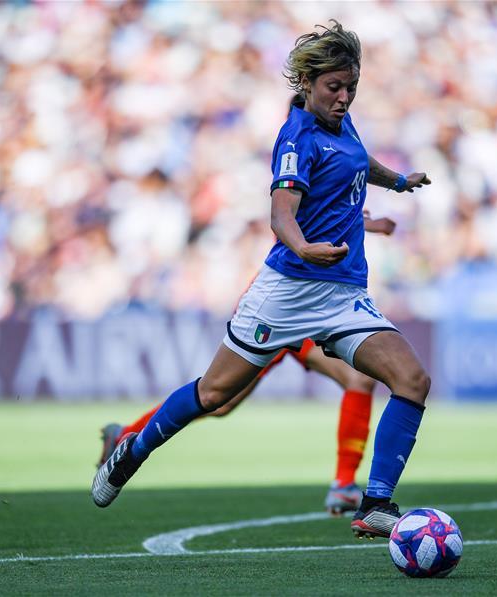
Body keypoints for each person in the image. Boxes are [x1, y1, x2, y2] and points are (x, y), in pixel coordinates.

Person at [93, 19, 432, 540]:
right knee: (214, 396)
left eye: (351, 87)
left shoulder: (342, 124)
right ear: (308, 84)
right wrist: (302, 247)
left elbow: (359, 162)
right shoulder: (297, 138)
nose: (344, 98)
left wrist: (398, 181)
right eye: (334, 87)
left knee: (411, 380)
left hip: (343, 295)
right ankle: (131, 450)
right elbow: (281, 214)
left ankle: (374, 504)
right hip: (288, 292)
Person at [97, 212, 397, 516]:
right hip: (284, 303)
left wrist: (363, 221)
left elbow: (330, 215)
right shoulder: (298, 184)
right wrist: (363, 220)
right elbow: (294, 218)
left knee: (356, 379)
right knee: (218, 399)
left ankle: (343, 484)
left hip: (316, 303)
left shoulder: (341, 186)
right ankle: (126, 436)